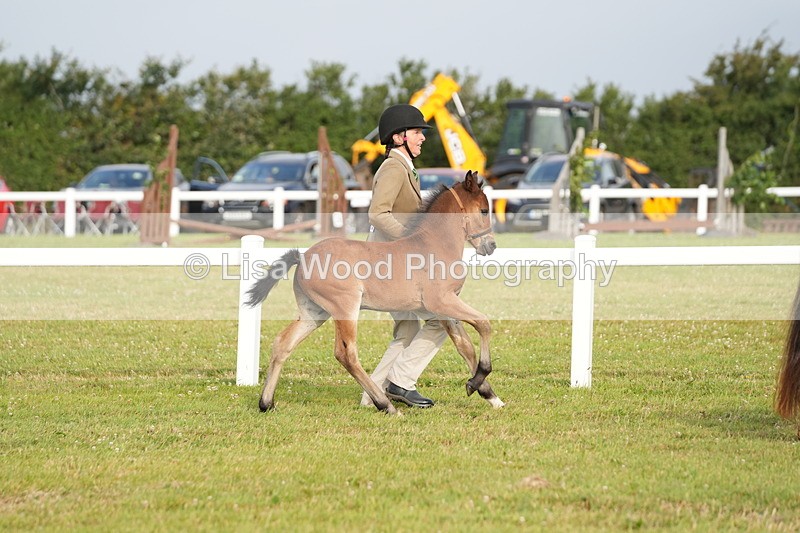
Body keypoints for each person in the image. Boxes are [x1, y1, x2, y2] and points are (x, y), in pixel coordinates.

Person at [360, 104, 449, 409]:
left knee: (409, 329)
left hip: (399, 265)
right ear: (399, 138)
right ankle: (402, 382)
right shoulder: (393, 168)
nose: (422, 138)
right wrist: (410, 242)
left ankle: (372, 396)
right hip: (390, 264)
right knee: (441, 319)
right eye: (417, 133)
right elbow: (378, 213)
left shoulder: (406, 168)